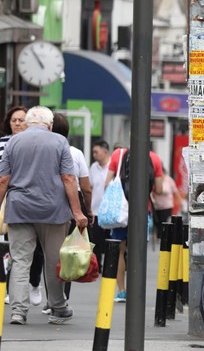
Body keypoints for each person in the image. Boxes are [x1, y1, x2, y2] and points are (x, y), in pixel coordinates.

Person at [0, 106, 87, 325]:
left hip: (19, 209)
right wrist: (77, 212)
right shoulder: (59, 142)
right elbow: (69, 178)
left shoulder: (13, 142)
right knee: (53, 260)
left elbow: (3, 180)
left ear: (28, 123)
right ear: (49, 125)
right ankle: (58, 307)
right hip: (53, 210)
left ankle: (18, 311)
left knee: (20, 261)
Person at [103, 144, 164, 302]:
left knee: (120, 251)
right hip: (143, 211)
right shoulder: (155, 158)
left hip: (120, 213)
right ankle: (136, 291)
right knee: (138, 253)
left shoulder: (118, 154)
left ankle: (121, 291)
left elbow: (107, 183)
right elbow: (159, 189)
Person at [0, 106, 45, 308]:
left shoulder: (37, 142)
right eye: (14, 120)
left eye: (21, 120)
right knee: (12, 248)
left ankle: (34, 282)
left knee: (35, 250)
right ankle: (13, 289)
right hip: (9, 199)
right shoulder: (2, 144)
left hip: (33, 200)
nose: (17, 123)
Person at [52, 113, 92, 301]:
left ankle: (46, 295)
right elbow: (85, 187)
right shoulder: (76, 153)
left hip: (49, 200)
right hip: (73, 200)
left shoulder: (45, 150)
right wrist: (88, 210)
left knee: (49, 252)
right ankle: (62, 297)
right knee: (68, 250)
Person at [89, 140, 110, 269]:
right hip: (95, 210)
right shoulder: (93, 167)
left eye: (96, 152)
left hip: (109, 211)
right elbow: (90, 187)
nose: (94, 155)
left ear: (105, 151)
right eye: (93, 152)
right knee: (96, 240)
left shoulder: (113, 167)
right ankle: (98, 266)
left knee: (108, 240)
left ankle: (109, 265)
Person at [151, 167, 179, 241]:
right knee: (157, 222)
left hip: (166, 205)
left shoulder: (169, 180)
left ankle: (163, 237)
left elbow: (175, 191)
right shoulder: (154, 180)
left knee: (164, 221)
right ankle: (158, 236)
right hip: (156, 205)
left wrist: (179, 202)